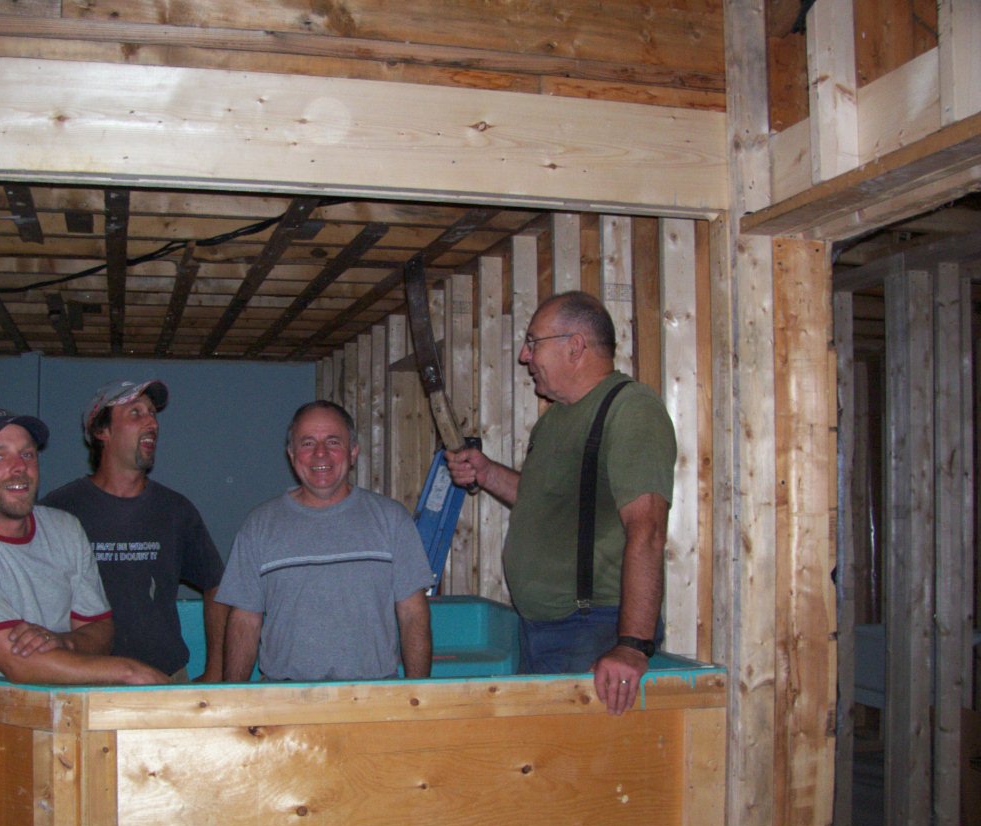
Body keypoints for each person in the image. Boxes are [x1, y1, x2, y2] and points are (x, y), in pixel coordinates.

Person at [445, 291, 676, 715]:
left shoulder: (630, 409)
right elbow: (547, 503)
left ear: (575, 346)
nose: (522, 356)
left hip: (592, 631)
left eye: (533, 342)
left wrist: (631, 646)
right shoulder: (556, 418)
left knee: (578, 773)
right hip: (542, 630)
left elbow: (648, 530)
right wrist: (487, 472)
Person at [0, 407, 170, 684]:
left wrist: (63, 643)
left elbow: (100, 631)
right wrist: (131, 672)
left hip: (67, 710)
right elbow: (22, 666)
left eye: (27, 454)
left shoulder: (64, 528)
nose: (19, 467)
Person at [218, 401, 433, 683]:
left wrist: (417, 698)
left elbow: (413, 615)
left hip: (375, 700)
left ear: (353, 451)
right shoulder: (259, 526)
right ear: (292, 454)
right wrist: (233, 704)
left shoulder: (392, 520)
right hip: (284, 705)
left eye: (333, 441)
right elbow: (244, 621)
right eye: (308, 443)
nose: (321, 453)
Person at [42, 379, 227, 682]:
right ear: (102, 432)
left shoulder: (175, 510)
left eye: (152, 413)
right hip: (81, 683)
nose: (151, 422)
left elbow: (217, 585)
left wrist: (216, 673)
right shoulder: (59, 510)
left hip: (165, 682)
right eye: (135, 413)